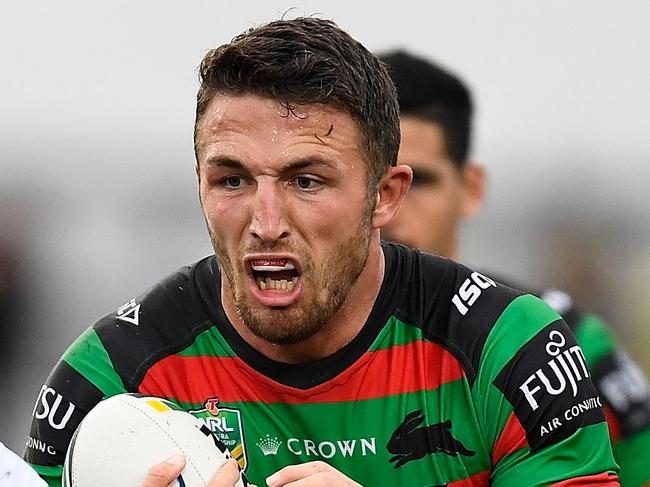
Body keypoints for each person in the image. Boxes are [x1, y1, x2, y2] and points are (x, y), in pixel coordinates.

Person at [24, 17, 619, 487]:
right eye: (231, 179)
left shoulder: (509, 349)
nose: (265, 222)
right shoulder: (108, 378)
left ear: (385, 196)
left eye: (306, 180)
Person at [379, 50, 650, 487]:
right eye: (375, 184)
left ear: (470, 188)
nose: (390, 211)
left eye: (419, 182)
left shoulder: (564, 341)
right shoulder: (272, 348)